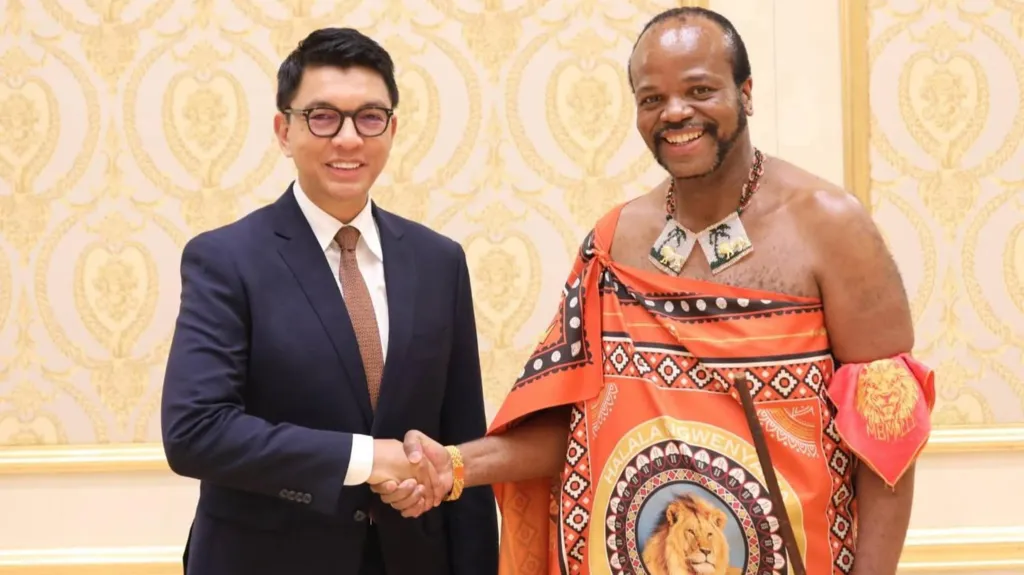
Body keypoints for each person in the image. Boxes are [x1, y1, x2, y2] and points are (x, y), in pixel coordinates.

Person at [371, 7, 935, 575]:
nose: (676, 112)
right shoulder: (613, 243)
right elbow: (571, 426)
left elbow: (889, 442)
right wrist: (454, 464)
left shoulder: (832, 228)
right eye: (652, 98)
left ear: (746, 92)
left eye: (700, 89)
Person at [160, 27, 498, 575]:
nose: (348, 139)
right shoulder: (225, 259)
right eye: (322, 117)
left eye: (370, 117)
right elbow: (196, 432)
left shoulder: (440, 261)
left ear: (391, 128)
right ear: (284, 130)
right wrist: (369, 460)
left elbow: (461, 439)